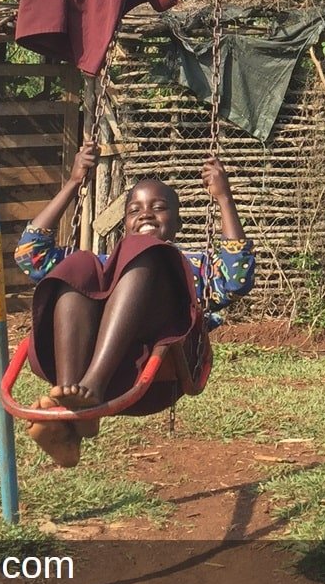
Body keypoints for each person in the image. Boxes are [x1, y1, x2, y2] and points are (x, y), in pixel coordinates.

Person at [14, 142, 254, 466]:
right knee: (78, 266)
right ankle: (69, 407)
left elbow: (236, 280)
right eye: (135, 209)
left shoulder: (194, 267)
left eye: (159, 207)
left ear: (179, 223)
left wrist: (224, 199)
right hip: (97, 361)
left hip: (160, 369)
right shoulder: (103, 265)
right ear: (123, 223)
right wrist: (73, 182)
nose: (146, 214)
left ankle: (90, 391)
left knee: (149, 253)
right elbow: (30, 255)